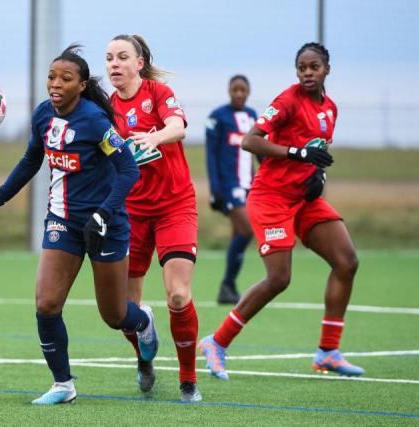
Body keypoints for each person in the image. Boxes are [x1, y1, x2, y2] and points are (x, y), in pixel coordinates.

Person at [0, 45, 157, 405]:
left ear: (81, 85)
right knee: (47, 303)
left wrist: (104, 213)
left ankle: (142, 322)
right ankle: (63, 385)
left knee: (114, 316)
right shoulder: (42, 117)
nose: (55, 84)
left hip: (105, 225)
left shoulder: (96, 121)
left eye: (65, 79)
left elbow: (128, 170)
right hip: (62, 222)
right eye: (52, 76)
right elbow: (29, 162)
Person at [199, 42, 364, 379]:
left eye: (313, 67)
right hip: (270, 198)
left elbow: (318, 152)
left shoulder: (330, 109)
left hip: (303, 199)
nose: (307, 73)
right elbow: (251, 141)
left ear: (326, 69)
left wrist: (318, 175)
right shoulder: (287, 101)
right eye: (302, 67)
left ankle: (328, 352)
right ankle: (216, 342)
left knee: (347, 262)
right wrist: (298, 154)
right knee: (279, 278)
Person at [106, 34, 201, 401]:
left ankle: (188, 379)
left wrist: (155, 137)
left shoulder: (158, 94)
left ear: (139, 63)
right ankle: (144, 356)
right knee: (122, 310)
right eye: (109, 58)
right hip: (130, 213)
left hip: (175, 207)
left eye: (122, 57)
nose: (114, 64)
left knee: (178, 296)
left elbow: (178, 126)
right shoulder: (105, 107)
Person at [205, 75, 258, 305]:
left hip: (250, 186)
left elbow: (260, 152)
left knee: (239, 234)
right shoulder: (217, 117)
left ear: (248, 92)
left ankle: (228, 289)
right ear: (229, 91)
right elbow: (211, 155)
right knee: (247, 230)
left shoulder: (253, 116)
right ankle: (227, 284)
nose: (238, 93)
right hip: (228, 187)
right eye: (235, 89)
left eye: (242, 90)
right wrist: (215, 189)